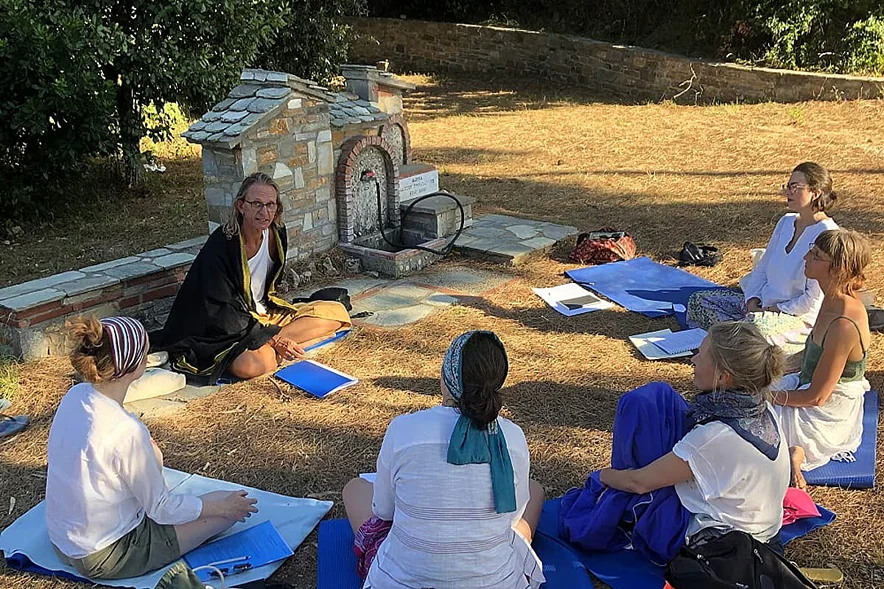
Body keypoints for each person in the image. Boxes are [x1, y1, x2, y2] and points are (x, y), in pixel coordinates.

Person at [46, 316, 258, 585]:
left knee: (215, 505)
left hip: (62, 539)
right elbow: (161, 509)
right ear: (135, 365)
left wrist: (151, 460)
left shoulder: (75, 396)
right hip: (105, 554)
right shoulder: (126, 431)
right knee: (227, 509)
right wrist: (222, 507)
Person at [559, 322, 790, 565]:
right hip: (759, 524)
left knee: (631, 486)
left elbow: (639, 483)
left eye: (701, 355)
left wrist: (603, 476)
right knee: (657, 397)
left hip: (724, 542)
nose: (693, 359)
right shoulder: (760, 406)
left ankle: (617, 504)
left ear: (723, 377)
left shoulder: (715, 437)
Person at [342, 331, 546, 589]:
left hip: (401, 582)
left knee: (354, 489)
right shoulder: (513, 437)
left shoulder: (404, 429)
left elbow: (384, 511)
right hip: (497, 582)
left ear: (446, 376)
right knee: (534, 490)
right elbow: (512, 518)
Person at [151, 172, 350, 384]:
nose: (264, 212)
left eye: (270, 205)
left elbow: (268, 290)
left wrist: (270, 336)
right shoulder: (222, 244)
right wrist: (271, 338)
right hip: (224, 327)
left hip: (264, 315)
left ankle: (271, 343)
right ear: (241, 206)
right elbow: (220, 311)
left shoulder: (276, 234)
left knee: (336, 313)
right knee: (257, 364)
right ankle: (271, 344)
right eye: (257, 204)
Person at [687, 162, 839, 353]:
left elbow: (813, 300)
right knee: (698, 301)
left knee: (756, 327)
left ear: (815, 193)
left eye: (795, 187)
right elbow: (762, 268)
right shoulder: (786, 222)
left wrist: (772, 311)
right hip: (759, 309)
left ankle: (740, 340)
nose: (788, 192)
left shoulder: (827, 234)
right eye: (787, 186)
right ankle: (739, 340)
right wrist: (752, 301)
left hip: (794, 318)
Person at [770, 229, 872, 489]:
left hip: (827, 410)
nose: (806, 257)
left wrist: (770, 397)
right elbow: (808, 356)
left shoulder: (844, 323)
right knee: (747, 391)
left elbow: (817, 397)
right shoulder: (831, 299)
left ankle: (797, 452)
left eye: (815, 255)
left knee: (757, 416)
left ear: (837, 269)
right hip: (807, 385)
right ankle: (793, 451)